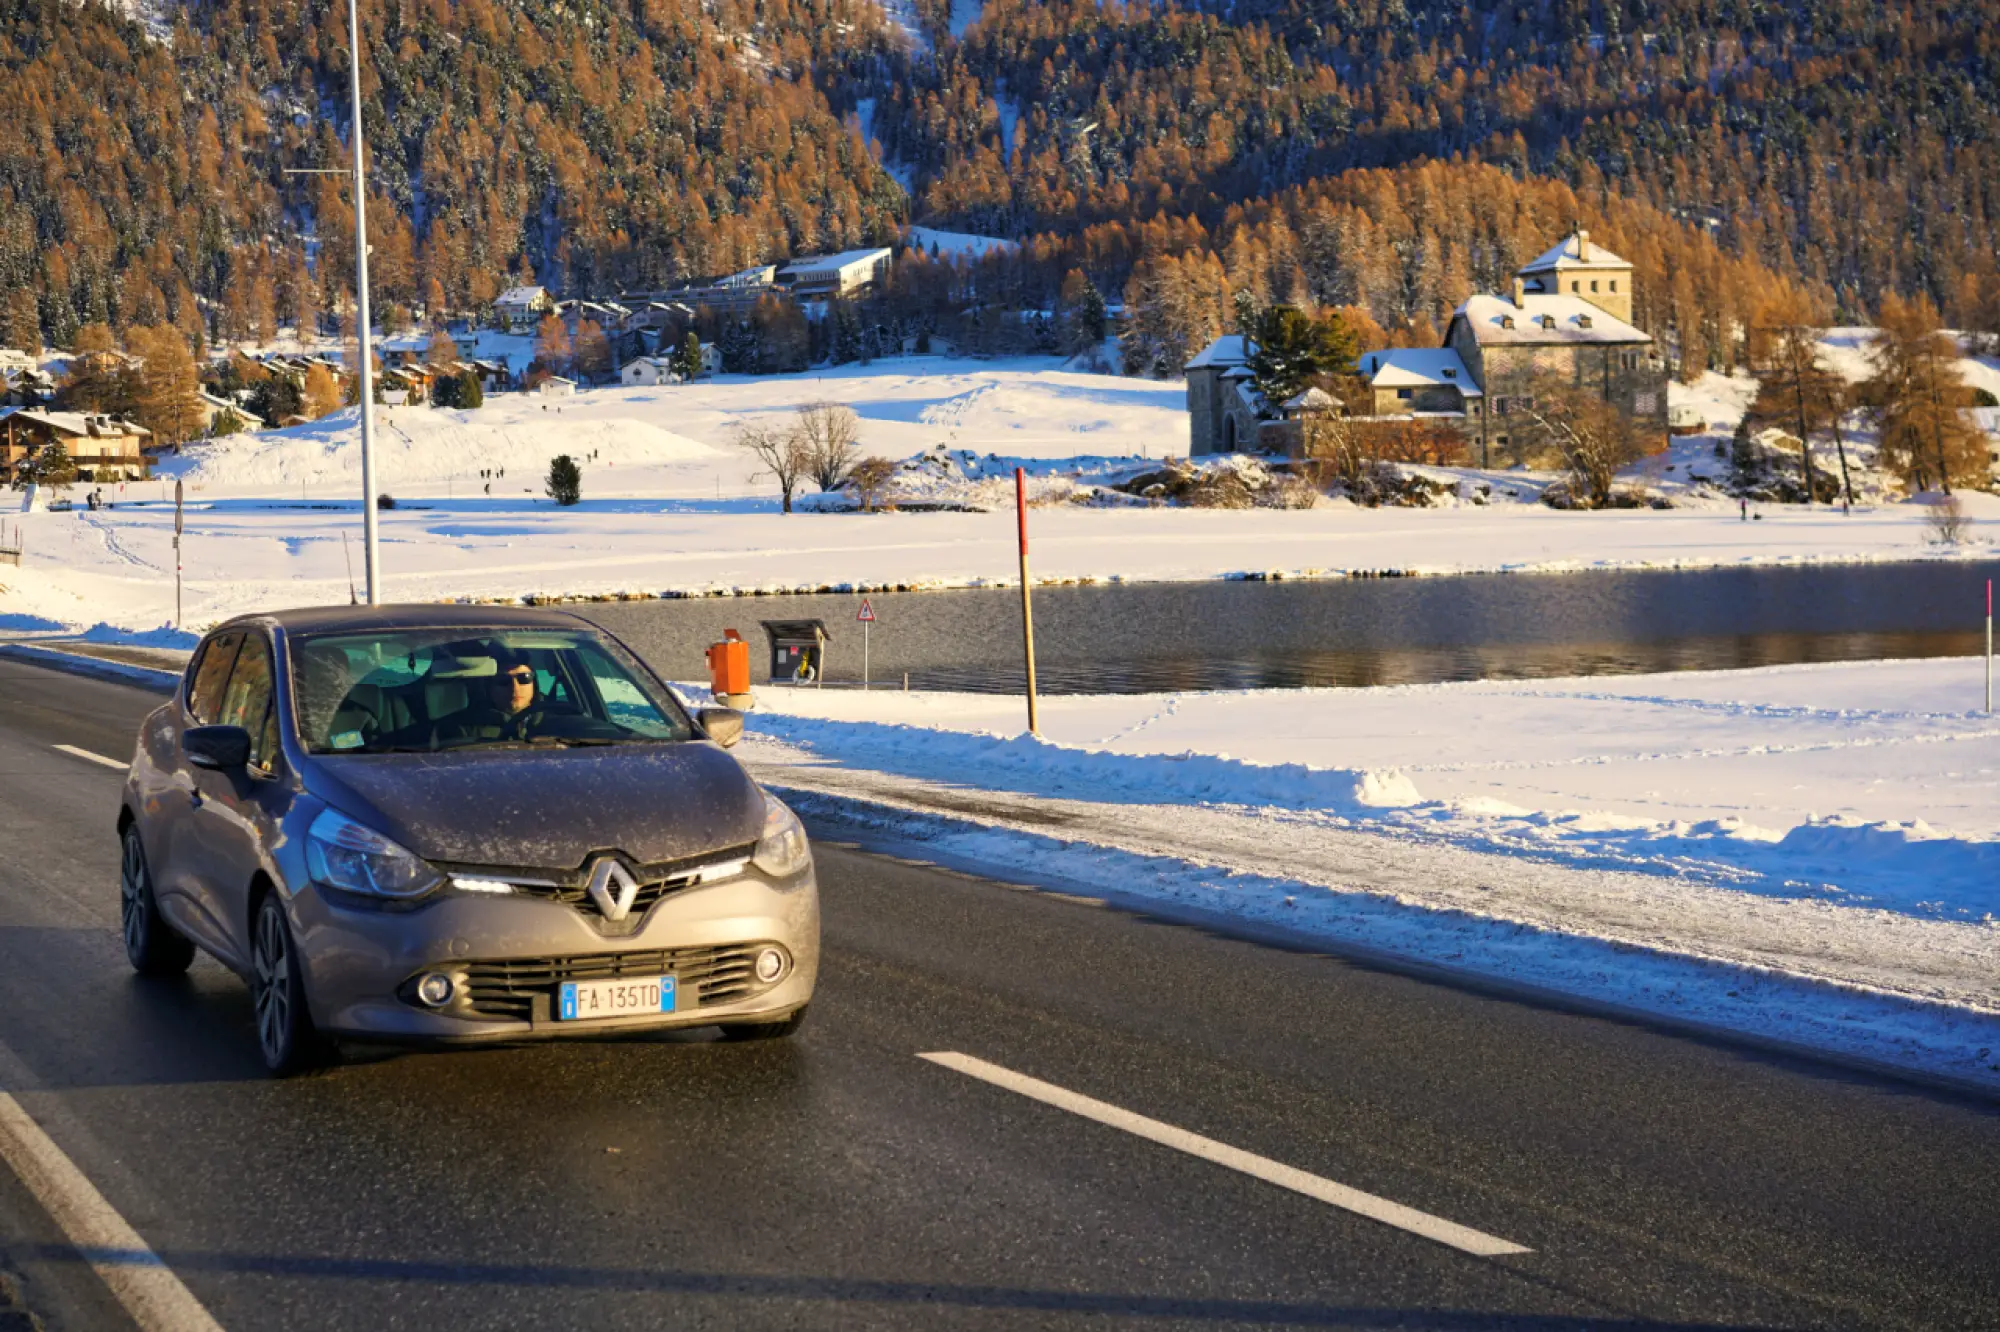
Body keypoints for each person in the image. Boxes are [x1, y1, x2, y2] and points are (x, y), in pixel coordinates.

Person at [437, 648, 547, 744]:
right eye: (503, 681)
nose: (515, 687)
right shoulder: (461, 730)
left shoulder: (559, 724)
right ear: (488, 687)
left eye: (524, 678)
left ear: (534, 683)